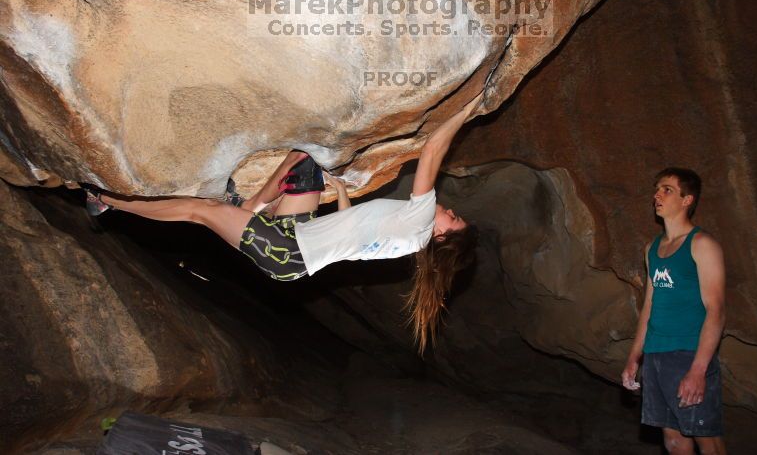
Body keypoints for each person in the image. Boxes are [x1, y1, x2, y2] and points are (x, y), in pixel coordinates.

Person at [84, 96, 481, 352]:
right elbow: (348, 234)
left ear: (444, 235)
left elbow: (432, 150)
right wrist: (341, 189)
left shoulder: (422, 219)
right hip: (297, 235)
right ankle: (253, 205)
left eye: (455, 218)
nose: (449, 211)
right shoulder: (408, 243)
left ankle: (108, 202)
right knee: (305, 162)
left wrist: (464, 111)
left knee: (198, 210)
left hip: (287, 252)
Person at [621, 168, 726, 454]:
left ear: (687, 200)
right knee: (675, 440)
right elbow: (649, 306)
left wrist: (698, 370)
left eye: (667, 189)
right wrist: (634, 357)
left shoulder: (703, 245)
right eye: (657, 189)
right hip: (656, 355)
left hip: (688, 353)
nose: (657, 194)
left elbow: (716, 310)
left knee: (707, 439)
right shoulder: (652, 249)